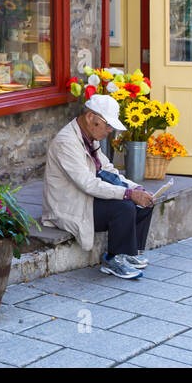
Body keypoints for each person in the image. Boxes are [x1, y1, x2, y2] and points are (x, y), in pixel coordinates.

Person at [42, 93, 155, 279]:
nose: (110, 130)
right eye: (108, 125)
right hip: (69, 206)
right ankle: (112, 259)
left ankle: (130, 252)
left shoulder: (90, 137)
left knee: (144, 202)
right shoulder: (66, 142)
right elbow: (87, 184)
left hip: (86, 197)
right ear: (90, 117)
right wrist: (128, 194)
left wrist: (136, 188)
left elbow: (107, 168)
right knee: (124, 206)